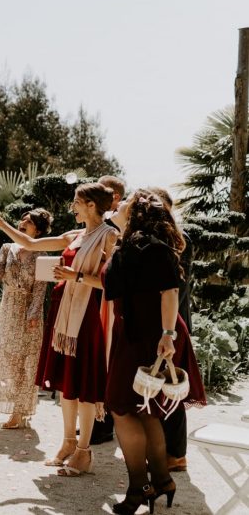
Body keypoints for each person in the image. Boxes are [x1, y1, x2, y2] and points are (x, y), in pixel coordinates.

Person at [0, 182, 118, 477]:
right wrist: (2, 223)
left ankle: (84, 451)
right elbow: (31, 244)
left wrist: (77, 276)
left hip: (87, 318)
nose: (73, 207)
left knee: (83, 387)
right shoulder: (74, 236)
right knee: (67, 387)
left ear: (91, 205)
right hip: (63, 317)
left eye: (77, 203)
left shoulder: (109, 237)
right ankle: (68, 442)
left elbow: (116, 283)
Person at [103, 189, 206, 514]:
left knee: (120, 407)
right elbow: (112, 290)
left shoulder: (152, 247)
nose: (116, 207)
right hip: (131, 333)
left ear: (135, 213)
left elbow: (169, 292)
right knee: (141, 410)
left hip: (150, 336)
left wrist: (167, 335)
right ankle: (159, 482)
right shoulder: (128, 245)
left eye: (124, 204)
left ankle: (140, 488)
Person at [0, 208, 52, 429]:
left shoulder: (42, 254)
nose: (22, 222)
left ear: (39, 229)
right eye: (22, 219)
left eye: (28, 221)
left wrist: (33, 314)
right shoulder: (7, 248)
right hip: (9, 308)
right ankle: (15, 406)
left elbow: (41, 289)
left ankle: (20, 412)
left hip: (30, 310)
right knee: (10, 359)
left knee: (28, 362)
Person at [147, 187, 195, 473]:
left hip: (172, 324)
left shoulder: (178, 239)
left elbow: (174, 289)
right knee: (158, 388)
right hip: (162, 322)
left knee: (171, 387)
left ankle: (177, 454)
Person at [90, 175, 126, 445]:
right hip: (93, 298)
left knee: (107, 360)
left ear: (114, 196)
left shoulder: (116, 228)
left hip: (109, 300)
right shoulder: (97, 225)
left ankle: (104, 426)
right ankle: (96, 421)